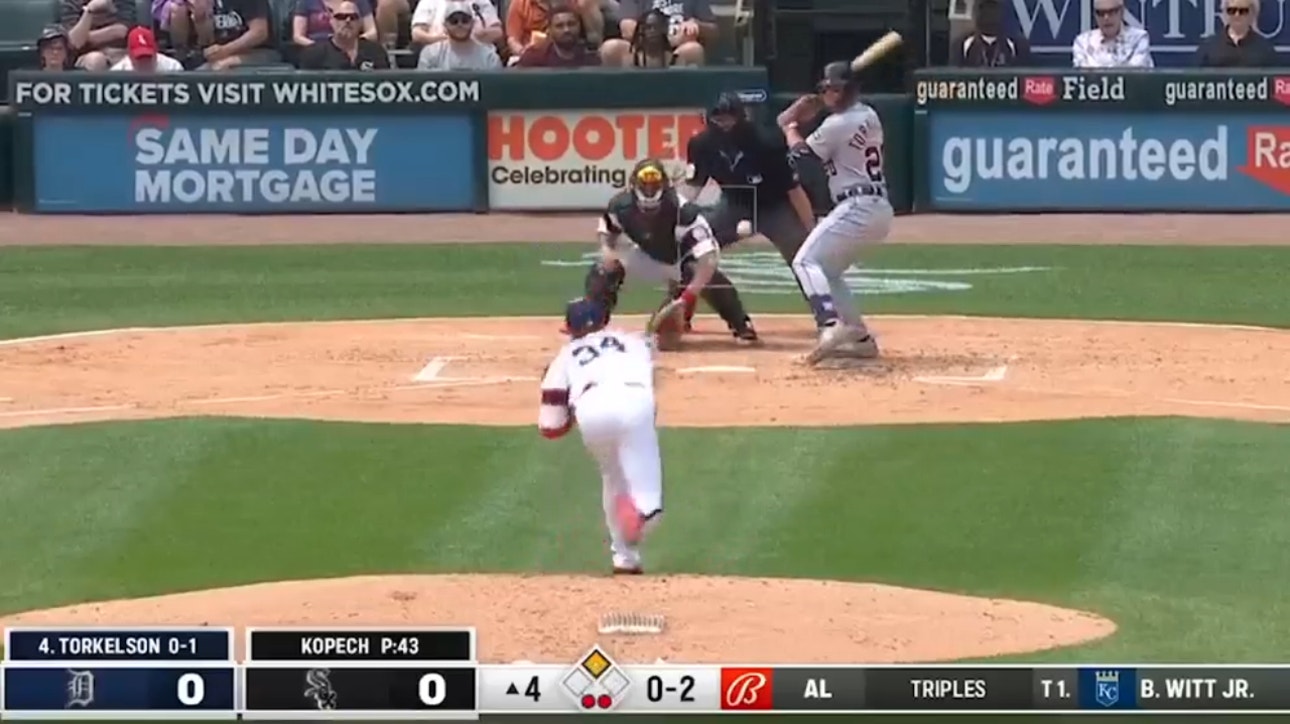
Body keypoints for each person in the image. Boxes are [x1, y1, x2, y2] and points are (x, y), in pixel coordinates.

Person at [776, 61, 890, 364]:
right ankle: (859, 337)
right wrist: (816, 108)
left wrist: (790, 125)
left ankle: (830, 326)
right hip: (875, 208)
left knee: (804, 261)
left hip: (858, 206)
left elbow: (801, 157)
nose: (830, 94)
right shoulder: (869, 114)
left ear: (850, 90)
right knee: (828, 271)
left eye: (835, 89)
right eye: (827, 89)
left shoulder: (839, 124)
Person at [539, 297, 662, 575]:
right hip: (635, 402)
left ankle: (625, 557)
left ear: (570, 329)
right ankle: (639, 517)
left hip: (591, 410)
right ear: (605, 322)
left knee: (612, 476)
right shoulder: (634, 341)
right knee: (649, 501)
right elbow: (652, 361)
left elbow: (550, 427)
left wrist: (571, 408)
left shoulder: (565, 356)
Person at [583, 158, 760, 346]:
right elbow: (606, 229)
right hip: (646, 255)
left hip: (681, 261)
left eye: (654, 186)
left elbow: (707, 260)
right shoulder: (620, 206)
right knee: (603, 270)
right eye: (645, 186)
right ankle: (591, 323)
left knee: (714, 282)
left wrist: (689, 296)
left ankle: (741, 325)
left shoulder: (684, 211)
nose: (649, 191)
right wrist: (607, 250)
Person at [684, 92, 816, 332]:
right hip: (733, 204)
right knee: (688, 251)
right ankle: (678, 312)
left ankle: (829, 316)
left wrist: (811, 229)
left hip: (774, 206)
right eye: (719, 119)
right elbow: (692, 187)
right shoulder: (701, 144)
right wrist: (679, 219)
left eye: (729, 118)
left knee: (805, 258)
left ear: (741, 117)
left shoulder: (766, 142)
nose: (724, 124)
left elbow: (793, 190)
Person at [602, 0, 713, 65]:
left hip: (675, 53)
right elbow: (627, 30)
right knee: (611, 48)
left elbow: (714, 31)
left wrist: (697, 25)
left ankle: (687, 99)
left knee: (693, 49)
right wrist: (671, 39)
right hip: (641, 50)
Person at [298, 0, 391, 68]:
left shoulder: (376, 52)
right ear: (332, 22)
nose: (347, 21)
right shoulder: (314, 54)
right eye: (341, 17)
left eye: (353, 17)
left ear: (360, 22)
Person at [417, 0, 501, 68]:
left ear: (472, 23)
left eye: (465, 20)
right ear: (445, 24)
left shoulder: (489, 57)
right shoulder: (430, 54)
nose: (459, 25)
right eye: (454, 21)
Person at [1072, 0, 1153, 68]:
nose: (1106, 18)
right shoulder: (1082, 43)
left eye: (1111, 12)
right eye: (1101, 13)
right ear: (1095, 15)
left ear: (1121, 12)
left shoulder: (1139, 39)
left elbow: (1135, 74)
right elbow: (1083, 77)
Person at [1196, 0, 1278, 66]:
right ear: (1225, 13)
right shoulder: (1209, 46)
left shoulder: (1264, 48)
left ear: (1252, 14)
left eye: (1243, 11)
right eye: (1231, 10)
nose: (1237, 15)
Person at [513, 4, 600, 66]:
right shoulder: (533, 58)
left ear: (579, 26)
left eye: (571, 24)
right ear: (550, 30)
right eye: (559, 26)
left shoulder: (591, 59)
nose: (566, 30)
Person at [61, 0, 136, 70]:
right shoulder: (72, 3)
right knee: (96, 59)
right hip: (87, 55)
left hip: (120, 53)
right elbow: (75, 42)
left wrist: (85, 37)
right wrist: (89, 10)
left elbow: (121, 31)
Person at [952, 0, 1030, 66]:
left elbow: (1024, 79)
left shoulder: (1018, 46)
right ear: (976, 11)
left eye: (993, 8)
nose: (989, 13)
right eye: (984, 8)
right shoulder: (961, 45)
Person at [293, 0, 377, 49]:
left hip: (351, 49)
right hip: (316, 49)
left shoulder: (360, 2)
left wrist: (351, 43)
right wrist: (318, 48)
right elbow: (298, 36)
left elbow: (372, 32)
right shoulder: (306, 2)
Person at [111, 26, 185, 70]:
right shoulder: (118, 73)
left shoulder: (172, 68)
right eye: (139, 58)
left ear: (156, 52)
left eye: (148, 57)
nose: (144, 62)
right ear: (130, 56)